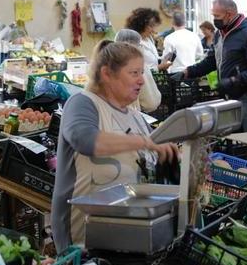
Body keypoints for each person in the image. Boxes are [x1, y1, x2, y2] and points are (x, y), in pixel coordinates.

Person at [51, 41, 179, 252]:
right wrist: (145, 142)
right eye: (134, 73)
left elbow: (147, 169)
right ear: (107, 74)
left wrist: (172, 157)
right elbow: (86, 140)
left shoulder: (136, 117)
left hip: (124, 233)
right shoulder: (82, 103)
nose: (141, 80)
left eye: (142, 72)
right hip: (82, 233)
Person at [181, 0, 247, 132]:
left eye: (217, 16)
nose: (214, 20)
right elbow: (211, 61)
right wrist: (188, 71)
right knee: (235, 140)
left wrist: (234, 80)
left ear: (229, 14)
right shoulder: (219, 34)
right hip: (231, 96)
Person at [114, 29, 162, 113]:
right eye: (140, 45)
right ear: (135, 46)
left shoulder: (110, 65)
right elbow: (151, 103)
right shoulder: (139, 67)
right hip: (133, 115)